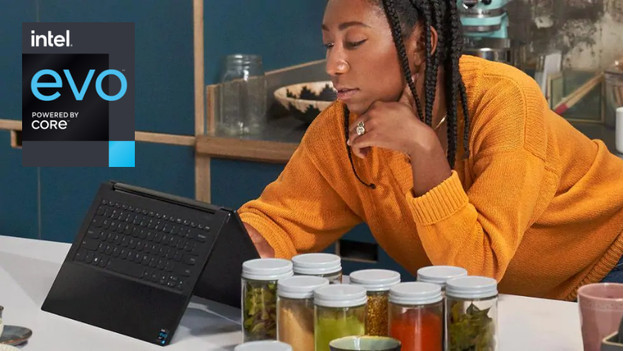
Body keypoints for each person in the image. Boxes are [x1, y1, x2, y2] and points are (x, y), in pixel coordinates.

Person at [238, 0, 623, 301]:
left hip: (610, 260)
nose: (333, 64)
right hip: (512, 298)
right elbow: (278, 223)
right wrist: (232, 244)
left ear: (423, 44)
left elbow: (475, 271)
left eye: (354, 42)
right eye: (328, 44)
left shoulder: (504, 101)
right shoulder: (341, 128)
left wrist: (423, 147)